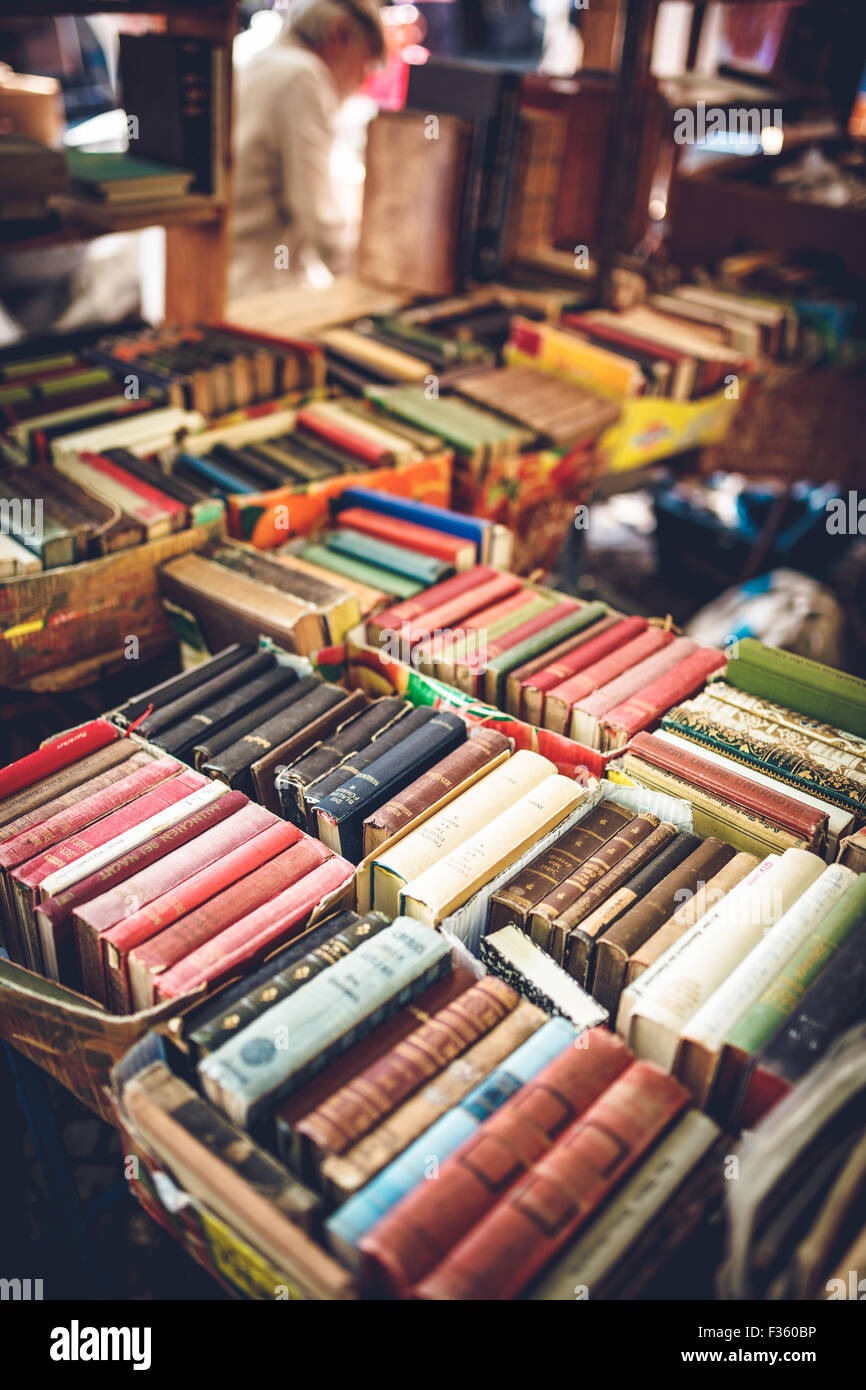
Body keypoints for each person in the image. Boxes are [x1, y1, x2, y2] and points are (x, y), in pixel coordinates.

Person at [230, 0, 385, 299]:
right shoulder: (303, 76)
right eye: (364, 64)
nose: (362, 81)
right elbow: (320, 218)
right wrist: (374, 283)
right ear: (339, 33)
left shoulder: (266, 59)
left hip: (236, 277)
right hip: (263, 290)